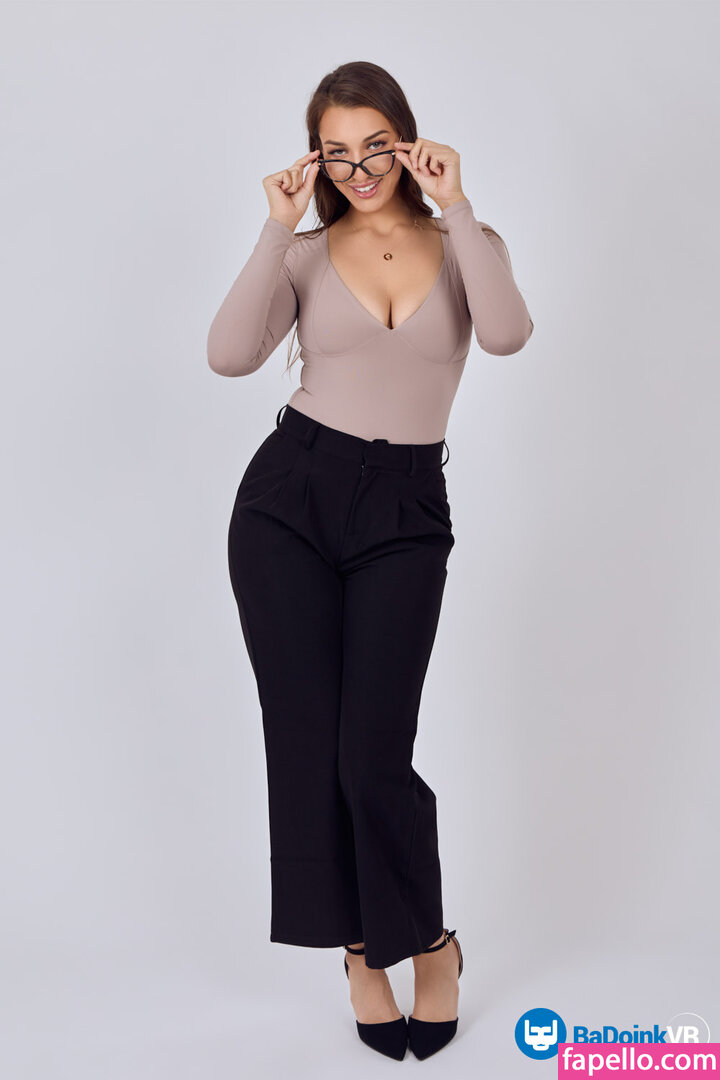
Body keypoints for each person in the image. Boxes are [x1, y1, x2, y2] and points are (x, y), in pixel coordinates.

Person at [207, 61, 533, 1061]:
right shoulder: (305, 256)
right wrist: (276, 227)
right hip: (288, 502)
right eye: (337, 152)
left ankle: (430, 942)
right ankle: (361, 952)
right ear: (317, 158)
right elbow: (229, 355)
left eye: (375, 146)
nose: (358, 168)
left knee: (371, 753)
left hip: (404, 508)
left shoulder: (467, 242)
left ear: (408, 140)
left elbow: (509, 334)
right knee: (309, 749)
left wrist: (458, 205)